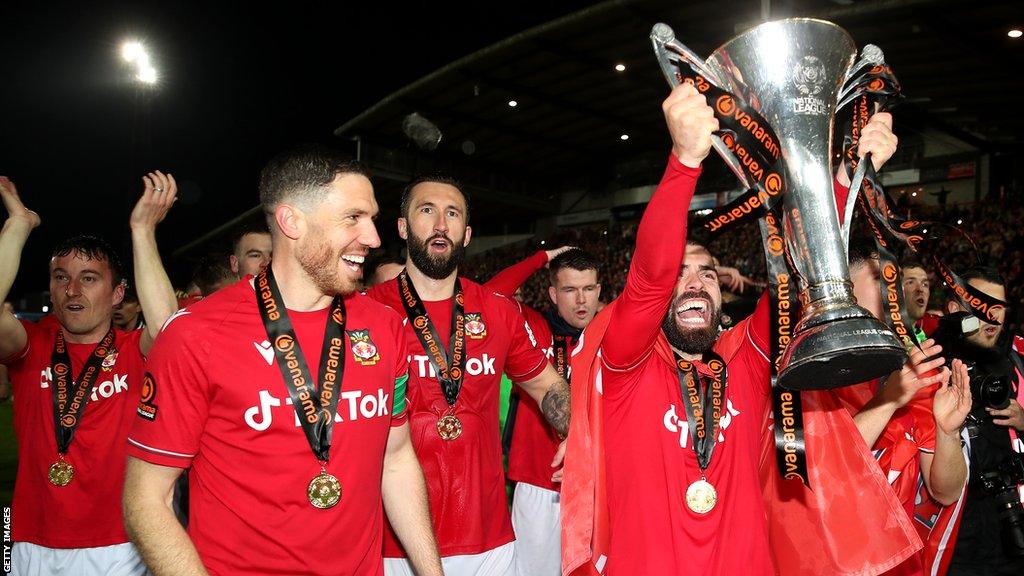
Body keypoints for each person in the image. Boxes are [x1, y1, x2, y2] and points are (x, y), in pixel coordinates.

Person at [561, 84, 902, 575]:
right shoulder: (625, 364)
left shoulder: (747, 357)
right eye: (681, 273)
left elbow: (799, 274)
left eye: (706, 273)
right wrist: (683, 162)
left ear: (722, 297)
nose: (694, 281)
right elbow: (648, 280)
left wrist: (848, 175)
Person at [123, 145, 443, 576]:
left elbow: (396, 459)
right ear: (292, 221)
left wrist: (432, 571)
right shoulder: (196, 334)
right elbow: (147, 500)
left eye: (371, 218)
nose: (373, 238)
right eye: (353, 218)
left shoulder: (385, 327)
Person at [365, 174, 571, 576]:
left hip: (489, 541)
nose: (441, 223)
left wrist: (575, 431)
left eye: (452, 213)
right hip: (395, 542)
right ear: (403, 227)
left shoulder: (497, 310)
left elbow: (546, 384)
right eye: (427, 210)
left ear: (467, 233)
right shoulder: (364, 314)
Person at [0, 171, 179, 575]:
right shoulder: (31, 344)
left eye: (89, 279)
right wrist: (17, 227)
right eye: (61, 278)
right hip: (32, 538)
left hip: (121, 541)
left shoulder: (136, 350)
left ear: (117, 294)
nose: (73, 290)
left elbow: (171, 329)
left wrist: (142, 230)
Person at [834, 241, 971, 576]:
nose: (892, 296)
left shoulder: (916, 366)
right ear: (844, 292)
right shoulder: (805, 366)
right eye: (883, 282)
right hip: (822, 557)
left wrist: (948, 432)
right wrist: (889, 400)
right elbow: (823, 470)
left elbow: (945, 491)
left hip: (895, 564)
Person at [485, 246, 600, 576]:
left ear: (599, 290)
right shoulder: (530, 327)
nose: (581, 301)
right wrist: (541, 258)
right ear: (552, 293)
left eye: (588, 289)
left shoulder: (610, 332)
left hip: (596, 481)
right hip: (540, 484)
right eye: (569, 290)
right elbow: (491, 295)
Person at [930, 267, 1024, 575]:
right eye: (984, 309)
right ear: (956, 310)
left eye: (999, 310)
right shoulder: (928, 368)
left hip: (1013, 530)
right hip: (956, 545)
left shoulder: (1015, 362)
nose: (994, 321)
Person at [901, 258, 931, 342]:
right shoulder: (882, 336)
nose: (920, 289)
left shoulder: (924, 340)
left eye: (925, 284)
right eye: (910, 282)